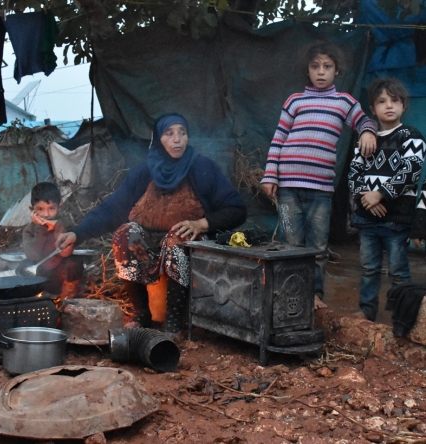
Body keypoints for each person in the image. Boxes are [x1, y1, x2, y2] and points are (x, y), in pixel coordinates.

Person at [56, 113, 247, 335]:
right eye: (169, 134)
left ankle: (174, 323)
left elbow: (237, 209)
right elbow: (111, 209)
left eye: (182, 133)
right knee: (125, 234)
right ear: (158, 139)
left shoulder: (203, 168)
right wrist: (76, 234)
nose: (178, 139)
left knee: (178, 239)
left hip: (189, 247)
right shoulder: (144, 171)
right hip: (149, 245)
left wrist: (202, 224)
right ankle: (141, 313)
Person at [260, 42, 378, 311]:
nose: (321, 72)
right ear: (308, 71)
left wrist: (368, 131)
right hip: (288, 187)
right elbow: (279, 138)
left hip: (321, 190)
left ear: (337, 71)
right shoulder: (295, 101)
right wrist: (270, 176)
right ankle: (289, 295)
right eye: (315, 67)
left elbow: (364, 121)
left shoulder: (344, 102)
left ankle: (313, 295)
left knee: (317, 247)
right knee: (291, 244)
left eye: (327, 66)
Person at [348, 78, 426, 321]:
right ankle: (367, 310)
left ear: (404, 105)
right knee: (369, 269)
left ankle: (400, 316)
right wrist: (367, 200)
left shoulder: (411, 136)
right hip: (367, 220)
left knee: (398, 271)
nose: (389, 105)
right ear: (372, 108)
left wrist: (379, 194)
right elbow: (353, 175)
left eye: (395, 100)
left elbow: (411, 171)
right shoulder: (366, 140)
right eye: (382, 101)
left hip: (396, 220)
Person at [22, 182, 83, 299]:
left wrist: (58, 227)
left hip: (60, 273)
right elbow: (33, 255)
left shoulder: (66, 224)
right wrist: (41, 228)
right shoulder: (29, 230)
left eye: (51, 208)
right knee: (24, 265)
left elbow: (65, 252)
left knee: (73, 263)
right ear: (32, 210)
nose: (46, 214)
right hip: (39, 272)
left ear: (60, 206)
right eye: (40, 209)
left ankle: (66, 297)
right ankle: (34, 296)